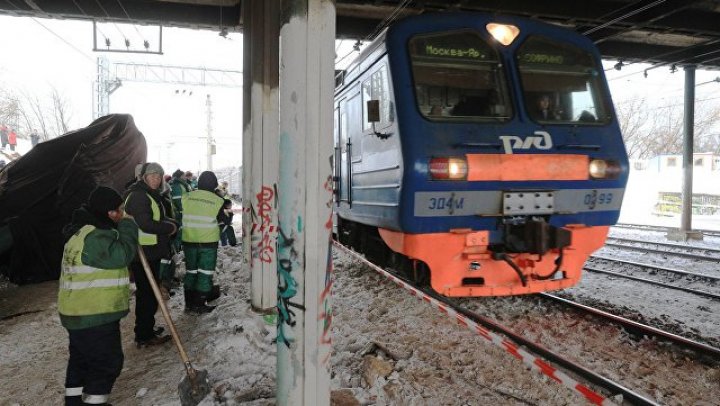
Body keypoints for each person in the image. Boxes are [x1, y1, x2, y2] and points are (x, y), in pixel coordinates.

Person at [58, 186, 138, 406]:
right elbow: (122, 255)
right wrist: (129, 225)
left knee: (81, 360)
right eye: (118, 210)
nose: (121, 214)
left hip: (78, 312)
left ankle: (74, 401)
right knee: (107, 362)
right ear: (108, 212)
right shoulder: (94, 237)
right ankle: (95, 403)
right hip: (94, 313)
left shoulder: (82, 231)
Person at [124, 162, 177, 347]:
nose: (155, 179)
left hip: (150, 251)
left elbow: (155, 218)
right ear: (144, 177)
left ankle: (145, 329)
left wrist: (169, 222)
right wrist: (169, 227)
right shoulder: (139, 196)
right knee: (147, 294)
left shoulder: (148, 194)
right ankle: (144, 335)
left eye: (158, 175)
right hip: (144, 253)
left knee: (148, 293)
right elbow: (145, 223)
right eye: (152, 175)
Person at [182, 171, 224, 313]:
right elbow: (222, 220)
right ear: (214, 184)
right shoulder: (218, 200)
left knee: (191, 271)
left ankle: (189, 303)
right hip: (208, 242)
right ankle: (199, 303)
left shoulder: (186, 197)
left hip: (188, 239)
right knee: (205, 272)